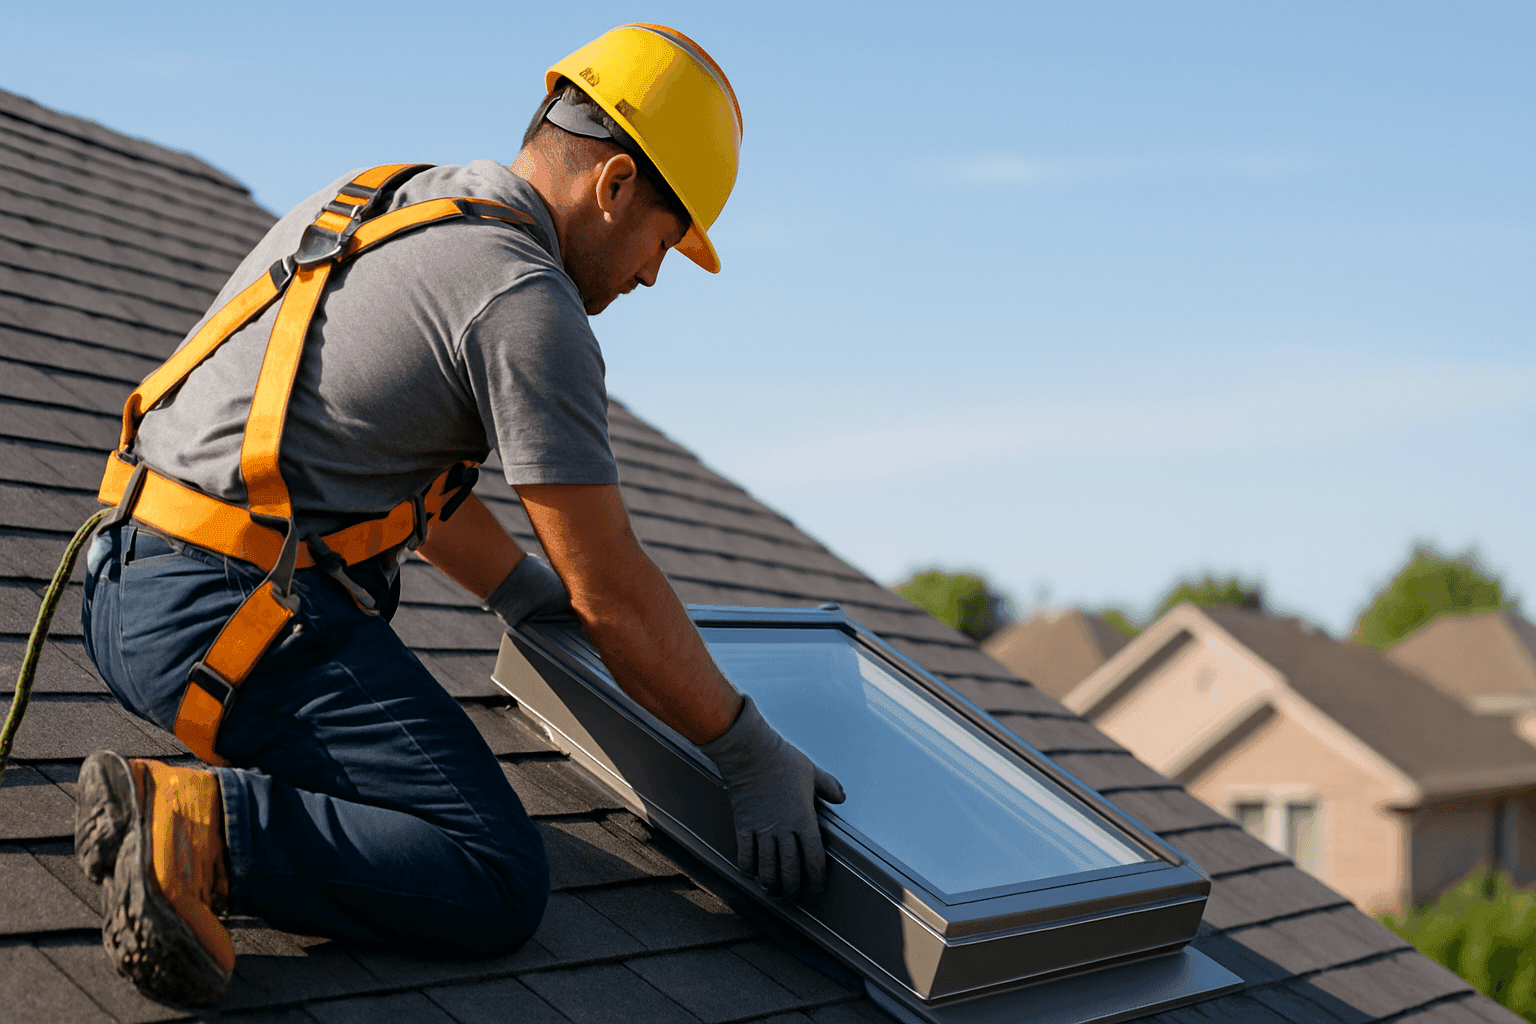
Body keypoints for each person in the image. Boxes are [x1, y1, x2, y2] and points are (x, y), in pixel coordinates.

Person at [75, 24, 844, 1007]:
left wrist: (518, 589)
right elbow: (610, 586)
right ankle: (199, 825)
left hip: (122, 573)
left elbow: (391, 471)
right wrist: (746, 749)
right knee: (493, 869)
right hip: (215, 614)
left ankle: (207, 814)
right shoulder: (528, 300)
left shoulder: (396, 200)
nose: (654, 274)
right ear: (613, 185)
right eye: (665, 237)